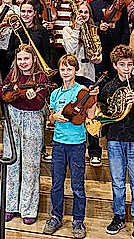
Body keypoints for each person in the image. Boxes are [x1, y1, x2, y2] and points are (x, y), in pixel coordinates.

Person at [99, 45, 134, 239]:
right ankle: (118, 216)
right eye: (122, 65)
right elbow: (103, 113)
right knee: (118, 182)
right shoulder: (109, 87)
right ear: (115, 66)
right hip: (114, 139)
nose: (126, 68)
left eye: (129, 64)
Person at [43, 55, 97, 238]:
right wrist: (53, 117)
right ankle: (56, 216)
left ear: (75, 71)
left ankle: (78, 220)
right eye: (63, 69)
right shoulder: (55, 93)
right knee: (56, 183)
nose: (66, 72)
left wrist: (93, 99)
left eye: (69, 69)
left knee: (77, 185)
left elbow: (90, 115)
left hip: (77, 144)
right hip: (58, 143)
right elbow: (50, 117)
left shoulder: (81, 90)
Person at [0, 44, 50, 225]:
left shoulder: (40, 77)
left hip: (33, 121)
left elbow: (39, 104)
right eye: (20, 59)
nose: (23, 62)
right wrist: (9, 93)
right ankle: (9, 206)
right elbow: (1, 90)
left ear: (33, 59)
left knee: (30, 166)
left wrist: (31, 97)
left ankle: (28, 208)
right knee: (12, 162)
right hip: (13, 120)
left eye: (26, 58)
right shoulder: (13, 75)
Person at [90, 0, 130, 77]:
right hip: (100, 48)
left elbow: (125, 28)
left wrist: (123, 47)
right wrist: (98, 26)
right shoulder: (93, 4)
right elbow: (90, 24)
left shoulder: (121, 5)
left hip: (116, 46)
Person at [61, 1, 101, 84]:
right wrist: (76, 29)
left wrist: (98, 59)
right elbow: (70, 51)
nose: (83, 15)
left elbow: (99, 52)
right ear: (75, 14)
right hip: (74, 73)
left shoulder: (92, 30)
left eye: (86, 12)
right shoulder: (67, 30)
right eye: (80, 12)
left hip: (90, 74)